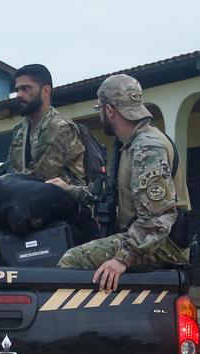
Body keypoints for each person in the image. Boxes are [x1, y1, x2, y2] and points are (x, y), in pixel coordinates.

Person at [57, 74, 188, 290]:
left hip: (164, 243)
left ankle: (84, 321)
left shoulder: (146, 148)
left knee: (72, 259)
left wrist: (123, 258)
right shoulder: (128, 145)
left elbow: (159, 216)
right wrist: (68, 189)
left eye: (99, 109)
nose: (100, 114)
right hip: (146, 237)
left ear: (109, 110)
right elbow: (110, 194)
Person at [7, 64, 91, 205]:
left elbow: (40, 177)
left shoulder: (60, 127)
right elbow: (11, 170)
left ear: (45, 91)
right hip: (28, 205)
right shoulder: (19, 130)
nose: (19, 95)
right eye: (17, 90)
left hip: (63, 210)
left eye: (26, 88)